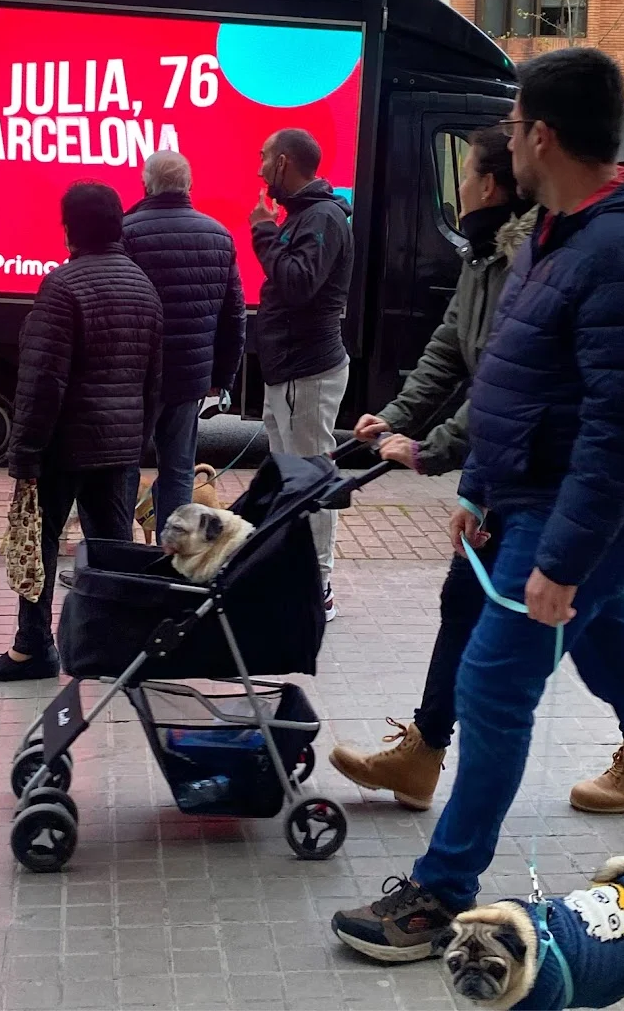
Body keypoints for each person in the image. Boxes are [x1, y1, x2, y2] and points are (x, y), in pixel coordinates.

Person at [332, 48, 624, 963]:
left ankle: (443, 891)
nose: (508, 141)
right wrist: (478, 485)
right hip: (535, 499)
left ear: (544, 135)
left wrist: (562, 561)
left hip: (581, 516)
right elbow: (515, 378)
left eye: (515, 123)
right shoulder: (558, 230)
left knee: (493, 684)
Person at [328, 127, 537, 808]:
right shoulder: (483, 257)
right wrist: (394, 418)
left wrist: (431, 448)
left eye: (467, 173)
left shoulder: (529, 263)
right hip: (504, 470)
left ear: (491, 185)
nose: (460, 186)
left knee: (597, 645)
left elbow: (505, 380)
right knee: (469, 600)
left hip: (547, 479)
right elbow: (448, 351)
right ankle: (424, 752)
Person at [0, 182, 164, 682]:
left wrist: (25, 452)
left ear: (69, 230)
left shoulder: (62, 287)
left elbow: (43, 380)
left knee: (39, 542)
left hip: (64, 445)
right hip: (119, 447)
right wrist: (137, 439)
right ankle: (114, 649)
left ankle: (33, 647)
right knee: (112, 549)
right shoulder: (143, 285)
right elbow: (153, 381)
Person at [250, 128, 354, 620]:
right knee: (289, 478)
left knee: (311, 478)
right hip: (288, 371)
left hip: (306, 371)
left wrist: (264, 232)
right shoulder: (304, 215)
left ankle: (318, 587)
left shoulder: (322, 217)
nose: (259, 168)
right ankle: (293, 574)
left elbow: (298, 284)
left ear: (283, 162)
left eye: (264, 158)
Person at [123, 150, 246, 524]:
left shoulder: (126, 232)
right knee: (178, 470)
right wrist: (222, 377)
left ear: (145, 185)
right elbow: (234, 316)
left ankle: (118, 549)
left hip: (135, 376)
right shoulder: (219, 235)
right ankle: (172, 549)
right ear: (189, 185)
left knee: (124, 466)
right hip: (190, 376)